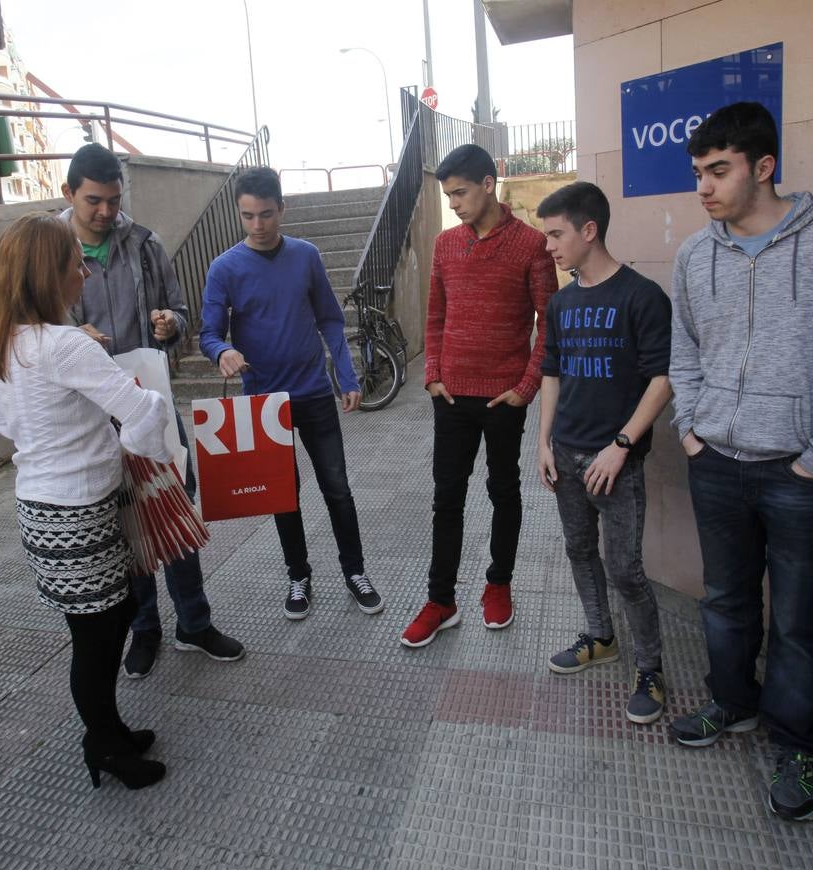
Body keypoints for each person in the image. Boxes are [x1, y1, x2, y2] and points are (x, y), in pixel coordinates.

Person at [668, 101, 813, 821]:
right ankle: (732, 704)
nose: (704, 188)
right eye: (698, 173)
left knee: (801, 623)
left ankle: (796, 738)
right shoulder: (693, 255)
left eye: (719, 170)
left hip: (800, 470)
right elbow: (682, 350)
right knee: (726, 603)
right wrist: (690, 430)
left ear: (764, 166)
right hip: (715, 460)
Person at [0, 213, 171, 790]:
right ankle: (103, 745)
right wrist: (137, 454)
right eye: (75, 262)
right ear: (50, 272)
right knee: (100, 637)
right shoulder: (65, 346)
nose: (84, 274)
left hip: (40, 509)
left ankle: (109, 731)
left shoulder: (4, 343)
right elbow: (146, 409)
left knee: (93, 629)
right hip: (82, 510)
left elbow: (7, 423)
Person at [61, 143, 243, 678]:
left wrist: (171, 325)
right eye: (94, 201)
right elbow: (33, 325)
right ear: (69, 192)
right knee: (125, 518)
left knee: (176, 508)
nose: (105, 212)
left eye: (114, 201)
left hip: (150, 399)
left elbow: (183, 314)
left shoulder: (144, 245)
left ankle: (195, 623)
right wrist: (74, 338)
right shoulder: (48, 248)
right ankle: (145, 629)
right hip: (92, 414)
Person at [199, 166, 382, 620]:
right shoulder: (224, 268)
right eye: (248, 216)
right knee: (284, 495)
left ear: (282, 208)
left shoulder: (306, 256)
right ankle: (298, 575)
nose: (258, 226)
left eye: (266, 214)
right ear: (238, 213)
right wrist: (222, 350)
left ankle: (355, 571)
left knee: (337, 488)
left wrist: (347, 375)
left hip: (315, 393)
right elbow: (207, 334)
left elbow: (330, 320)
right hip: (265, 404)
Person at [401, 144, 557, 648]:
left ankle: (498, 583)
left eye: (461, 193)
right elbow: (436, 315)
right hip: (450, 398)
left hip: (502, 400)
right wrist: (432, 374)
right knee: (446, 499)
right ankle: (440, 600)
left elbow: (548, 323)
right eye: (449, 196)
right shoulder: (447, 244)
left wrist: (526, 387)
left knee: (503, 491)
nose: (455, 204)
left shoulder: (531, 245)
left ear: (489, 184)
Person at [536, 182, 672, 724]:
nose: (549, 246)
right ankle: (600, 636)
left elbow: (663, 380)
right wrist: (543, 443)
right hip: (565, 454)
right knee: (578, 551)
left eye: (556, 234)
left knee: (626, 570)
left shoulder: (641, 296)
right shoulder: (562, 301)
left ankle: (651, 668)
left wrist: (621, 446)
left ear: (588, 231)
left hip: (615, 462)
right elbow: (551, 373)